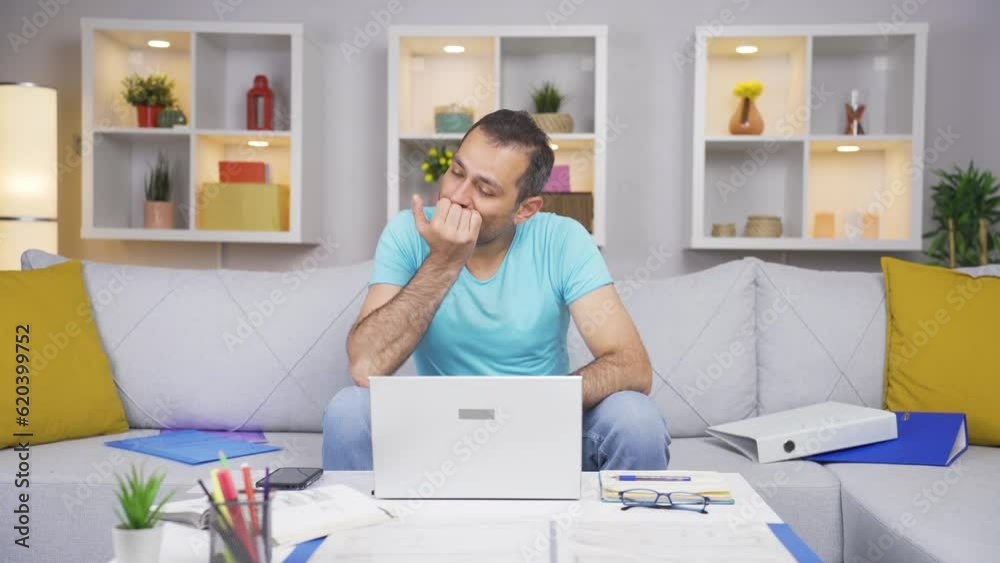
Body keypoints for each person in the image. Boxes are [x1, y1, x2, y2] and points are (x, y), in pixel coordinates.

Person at [322, 109, 670, 471]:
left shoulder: (562, 239)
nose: (457, 196)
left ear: (525, 210)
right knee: (348, 410)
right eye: (457, 172)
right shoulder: (407, 233)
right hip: (439, 432)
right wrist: (443, 263)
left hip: (542, 426)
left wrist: (536, 403)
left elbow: (632, 366)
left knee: (636, 419)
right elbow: (366, 365)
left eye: (485, 189)